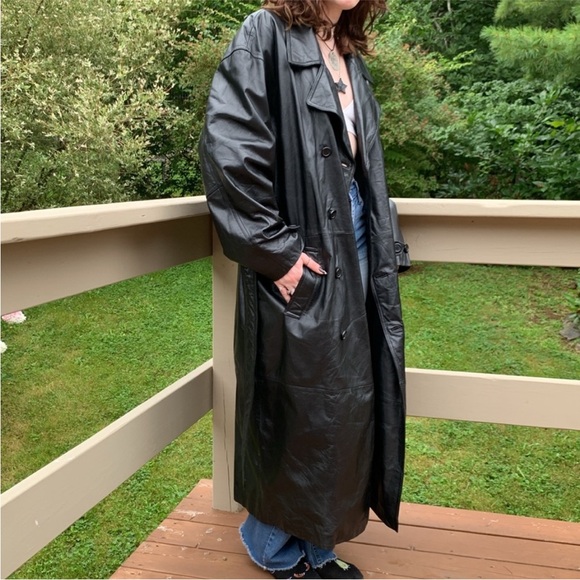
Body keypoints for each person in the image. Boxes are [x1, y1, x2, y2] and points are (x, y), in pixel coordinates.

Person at [199, 1, 406, 578]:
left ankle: (318, 545)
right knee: (303, 400)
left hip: (355, 241)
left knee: (346, 398)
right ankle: (270, 544)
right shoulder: (265, 33)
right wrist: (280, 255)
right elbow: (228, 151)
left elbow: (363, 168)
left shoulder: (347, 51)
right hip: (305, 247)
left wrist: (386, 246)